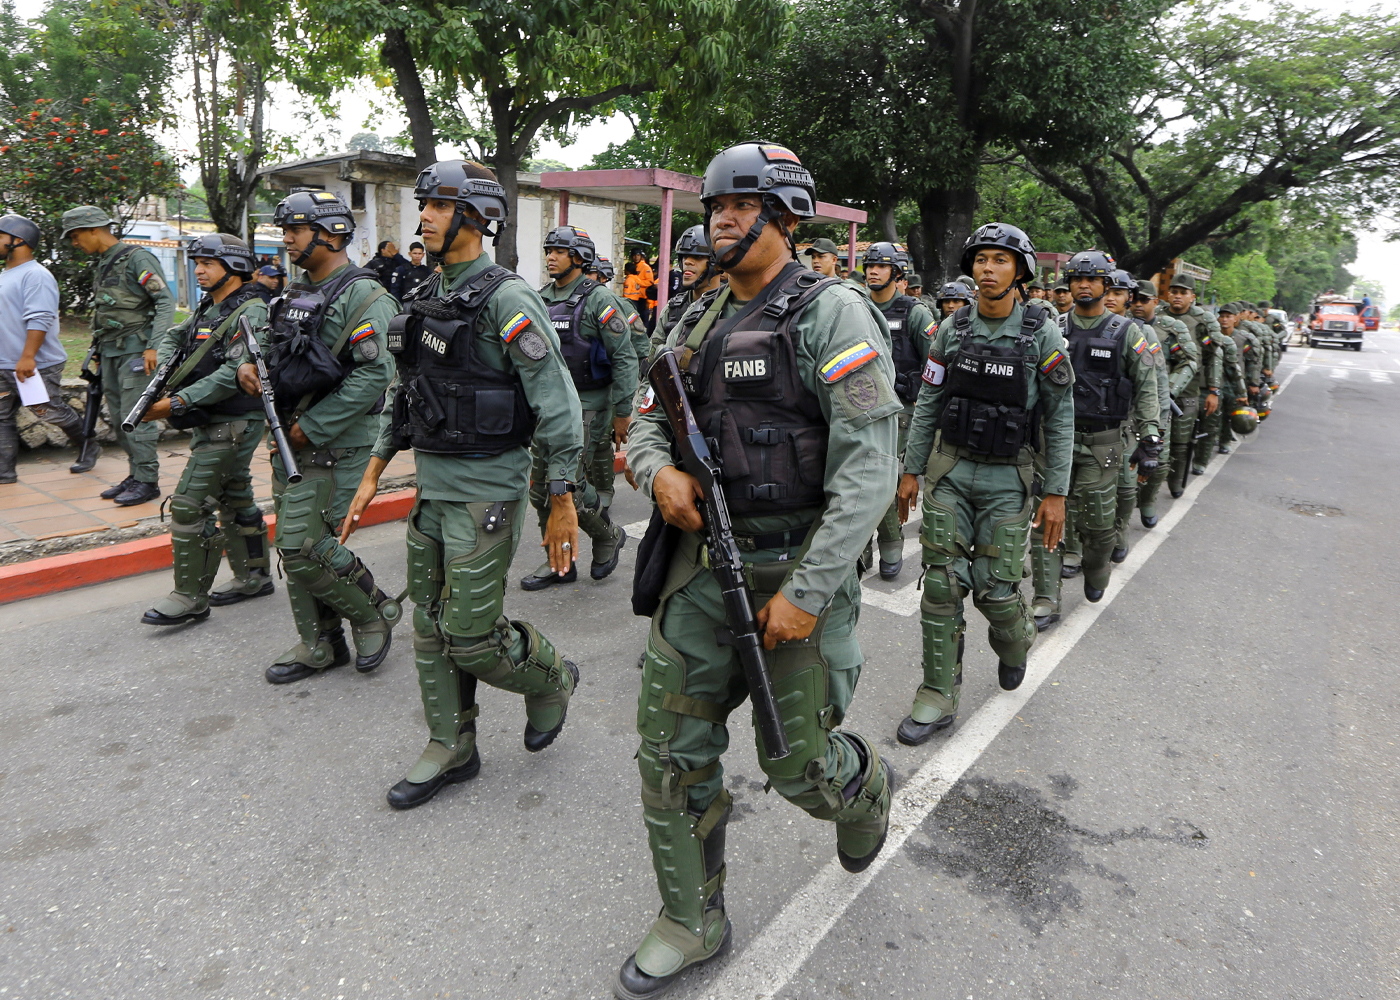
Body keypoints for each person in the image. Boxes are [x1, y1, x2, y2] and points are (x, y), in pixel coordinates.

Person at [616, 141, 899, 999]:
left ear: (785, 217)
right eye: (716, 207)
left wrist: (809, 596)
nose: (722, 220)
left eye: (743, 206)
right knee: (669, 752)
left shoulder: (832, 314)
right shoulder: (697, 320)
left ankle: (866, 791)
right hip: (702, 575)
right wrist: (654, 473)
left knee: (798, 767)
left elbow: (869, 467)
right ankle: (691, 919)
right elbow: (646, 416)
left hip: (795, 572)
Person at [338, 161, 584, 810]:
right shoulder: (426, 296)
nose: (424, 217)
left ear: (476, 218)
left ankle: (549, 675)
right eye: (425, 206)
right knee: (429, 626)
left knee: (471, 636)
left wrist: (562, 500)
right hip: (433, 489)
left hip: (489, 492)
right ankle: (451, 745)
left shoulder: (509, 300)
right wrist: (371, 475)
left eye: (439, 207)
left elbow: (558, 406)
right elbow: (404, 395)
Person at [896, 223, 1073, 738]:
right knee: (942, 586)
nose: (988, 269)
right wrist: (911, 470)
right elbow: (929, 401)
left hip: (1008, 478)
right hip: (949, 470)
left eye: (1000, 260)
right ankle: (936, 694)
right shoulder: (952, 329)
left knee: (996, 591)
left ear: (1020, 271)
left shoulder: (1041, 332)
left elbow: (1060, 417)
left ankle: (1015, 640)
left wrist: (1056, 493)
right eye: (981, 259)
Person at [240, 190, 401, 684]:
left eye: (296, 229)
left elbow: (373, 377)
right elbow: (273, 345)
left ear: (331, 233)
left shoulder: (367, 297)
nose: (286, 238)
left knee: (302, 544)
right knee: (296, 547)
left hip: (336, 444)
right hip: (286, 439)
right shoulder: (291, 292)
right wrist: (247, 365)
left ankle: (371, 611)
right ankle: (320, 643)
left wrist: (310, 427)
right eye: (285, 228)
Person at [136, 234, 274, 625]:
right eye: (197, 262)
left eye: (208, 263)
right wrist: (165, 370)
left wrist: (176, 403)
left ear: (234, 268)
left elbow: (235, 373)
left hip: (234, 420)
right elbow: (175, 337)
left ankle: (189, 596)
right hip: (210, 419)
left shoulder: (252, 311)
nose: (198, 269)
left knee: (188, 504)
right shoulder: (209, 306)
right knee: (234, 497)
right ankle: (255, 576)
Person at [1026, 250, 1159, 632]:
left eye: (1093, 279)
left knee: (1098, 526)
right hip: (1053, 440)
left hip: (1103, 443)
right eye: (1077, 279)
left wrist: (1150, 434)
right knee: (1045, 519)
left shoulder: (1127, 331)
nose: (1084, 285)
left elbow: (1147, 386)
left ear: (1106, 285)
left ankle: (1097, 564)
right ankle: (1045, 598)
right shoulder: (1053, 327)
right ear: (1068, 285)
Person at [521, 225, 636, 590]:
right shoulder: (540, 297)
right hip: (550, 405)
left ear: (579, 257)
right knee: (540, 488)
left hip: (589, 405)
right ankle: (562, 560)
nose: (551, 256)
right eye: (548, 249)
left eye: (559, 250)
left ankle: (606, 535)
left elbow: (624, 357)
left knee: (568, 483)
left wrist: (622, 411)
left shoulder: (599, 299)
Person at [62, 205, 176, 506]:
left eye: (76, 236)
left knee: (136, 417)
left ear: (94, 230)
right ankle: (135, 474)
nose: (75, 243)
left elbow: (165, 301)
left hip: (137, 353)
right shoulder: (105, 263)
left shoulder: (137, 258)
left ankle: (148, 480)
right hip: (111, 353)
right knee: (118, 418)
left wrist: (155, 346)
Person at [0, 214, 97, 484]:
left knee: (48, 411)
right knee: (1, 416)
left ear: (17, 240)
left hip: (34, 363)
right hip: (4, 363)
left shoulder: (36, 275)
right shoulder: (6, 275)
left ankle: (89, 445)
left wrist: (28, 356)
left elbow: (40, 318)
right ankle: (4, 473)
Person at [863, 241, 938, 580]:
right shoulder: (858, 307)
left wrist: (921, 400)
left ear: (897, 272)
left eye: (881, 265)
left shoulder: (915, 312)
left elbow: (937, 365)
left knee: (884, 479)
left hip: (903, 411)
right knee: (856, 478)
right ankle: (862, 544)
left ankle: (891, 541)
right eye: (869, 265)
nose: (872, 271)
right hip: (861, 408)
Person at [1104, 268, 1166, 563]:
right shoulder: (1077, 324)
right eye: (1107, 291)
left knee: (1126, 488)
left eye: (1117, 293)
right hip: (1089, 420)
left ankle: (1118, 531)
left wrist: (1155, 427)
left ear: (1127, 298)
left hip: (1128, 422)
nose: (1110, 298)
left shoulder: (1142, 332)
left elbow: (1154, 383)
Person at [1131, 279, 1198, 527]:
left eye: (1144, 300)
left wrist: (1169, 390)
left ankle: (1148, 502)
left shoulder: (1171, 328)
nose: (1138, 305)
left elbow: (1190, 360)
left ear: (1155, 302)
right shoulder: (1121, 324)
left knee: (1158, 457)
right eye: (1134, 299)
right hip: (1127, 402)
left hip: (1160, 400)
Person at [1162, 275, 1223, 494]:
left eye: (1183, 292)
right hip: (1155, 386)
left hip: (1188, 389)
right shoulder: (1157, 317)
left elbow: (1213, 356)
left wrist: (1213, 390)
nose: (1177, 296)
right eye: (1174, 291)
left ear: (1192, 297)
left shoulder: (1201, 323)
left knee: (1181, 440)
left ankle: (1176, 481)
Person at [655, 224, 722, 347]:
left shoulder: (729, 306)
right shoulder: (673, 308)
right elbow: (653, 354)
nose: (687, 261)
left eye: (698, 257)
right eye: (684, 256)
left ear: (717, 264)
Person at [623, 248, 655, 328]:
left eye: (638, 255)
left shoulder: (645, 267)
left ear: (641, 256)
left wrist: (638, 282)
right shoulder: (632, 266)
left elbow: (650, 282)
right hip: (635, 297)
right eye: (634, 255)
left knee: (643, 318)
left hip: (643, 297)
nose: (636, 257)